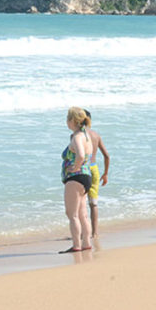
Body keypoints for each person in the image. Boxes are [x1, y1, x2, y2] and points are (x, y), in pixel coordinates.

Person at [60, 106, 93, 253]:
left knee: (72, 214)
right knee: (82, 214)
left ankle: (76, 245)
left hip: (75, 178)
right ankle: (86, 242)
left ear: (72, 121)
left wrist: (74, 167)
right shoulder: (86, 135)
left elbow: (80, 155)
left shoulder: (77, 137)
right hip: (86, 177)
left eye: (68, 118)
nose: (66, 122)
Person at [83, 110, 110, 238]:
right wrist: (105, 174)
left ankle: (83, 233)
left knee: (80, 203)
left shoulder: (77, 136)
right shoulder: (96, 135)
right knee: (93, 203)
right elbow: (107, 156)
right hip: (94, 169)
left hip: (82, 170)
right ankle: (94, 232)